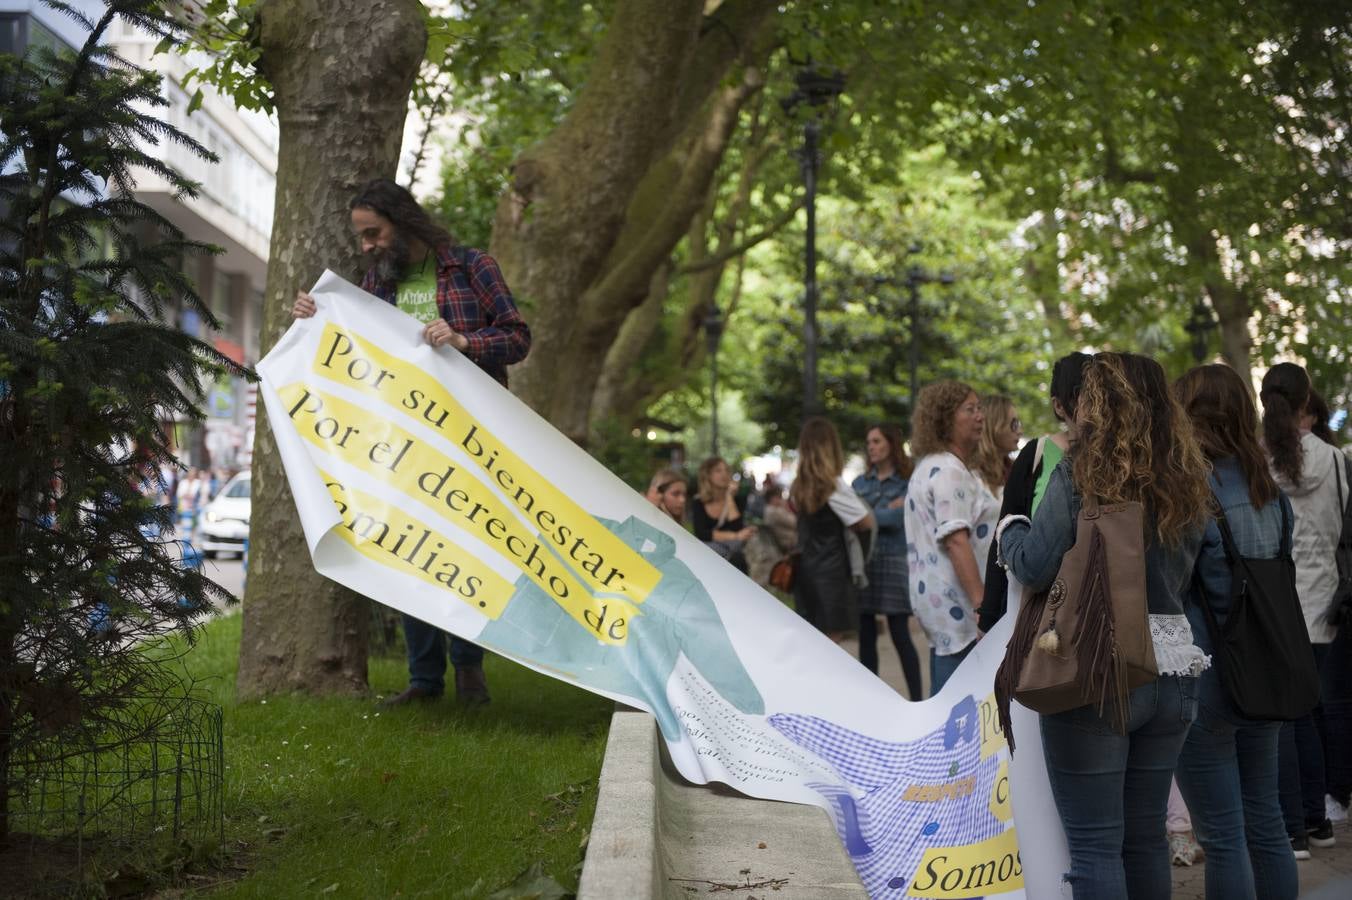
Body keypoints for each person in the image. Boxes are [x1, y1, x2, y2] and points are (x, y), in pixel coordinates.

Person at [292, 178, 531, 707]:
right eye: (361, 237)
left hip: (470, 437)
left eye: (373, 233)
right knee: (411, 551)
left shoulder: (473, 267)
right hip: (401, 440)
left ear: (402, 221)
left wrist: (466, 341)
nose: (367, 247)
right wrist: (314, 319)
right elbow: (349, 345)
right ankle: (424, 680)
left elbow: (517, 337)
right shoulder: (378, 283)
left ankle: (469, 668)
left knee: (469, 552)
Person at [999, 352, 1212, 899]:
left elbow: (1035, 563)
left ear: (1099, 403)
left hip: (1098, 668)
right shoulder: (1187, 476)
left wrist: (1010, 529)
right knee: (1144, 840)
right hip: (1175, 666)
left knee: (1094, 846)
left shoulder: (1081, 471)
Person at [1172, 363, 1297, 899]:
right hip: (1268, 669)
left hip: (1208, 681)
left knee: (1223, 837)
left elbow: (1170, 587)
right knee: (1266, 821)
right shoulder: (1270, 492)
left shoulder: (1187, 493)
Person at [1261, 362, 1344, 853]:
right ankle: (1318, 821)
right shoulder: (1333, 459)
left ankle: (1293, 828)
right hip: (1324, 598)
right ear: (1306, 401)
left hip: (1280, 601)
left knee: (1286, 718)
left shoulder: (1260, 460)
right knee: (1311, 714)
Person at [979, 352, 1090, 634]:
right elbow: (1004, 532)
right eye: (1081, 395)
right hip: (1043, 616)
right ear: (1059, 405)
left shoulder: (1122, 458)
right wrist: (989, 616)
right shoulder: (1037, 454)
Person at [904, 381, 996, 693]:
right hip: (960, 611)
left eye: (980, 408)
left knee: (947, 700)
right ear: (945, 419)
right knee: (958, 710)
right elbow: (955, 539)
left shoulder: (930, 466)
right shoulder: (949, 471)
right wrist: (982, 603)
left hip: (940, 605)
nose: (980, 416)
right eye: (970, 410)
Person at [851, 424, 922, 699]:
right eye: (869, 442)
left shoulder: (907, 482)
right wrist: (885, 511)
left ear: (891, 444)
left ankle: (917, 699)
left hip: (894, 560)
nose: (871, 446)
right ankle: (872, 700)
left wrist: (870, 516)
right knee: (866, 632)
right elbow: (853, 521)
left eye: (877, 441)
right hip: (866, 561)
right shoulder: (859, 483)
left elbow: (897, 519)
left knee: (899, 632)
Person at [790, 417, 875, 641]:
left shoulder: (799, 485)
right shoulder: (833, 486)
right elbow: (866, 523)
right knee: (831, 647)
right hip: (834, 575)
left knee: (814, 645)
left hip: (806, 572)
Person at [691, 457, 756, 572]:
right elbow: (702, 533)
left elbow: (737, 527)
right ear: (707, 475)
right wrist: (735, 536)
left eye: (726, 470)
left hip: (733, 557)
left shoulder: (738, 500)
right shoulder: (698, 502)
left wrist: (729, 497)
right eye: (718, 471)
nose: (724, 474)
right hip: (709, 557)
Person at [971, 394, 1022, 500]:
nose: (1020, 432)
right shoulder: (970, 472)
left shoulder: (1017, 471)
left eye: (1018, 424)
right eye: (1013, 424)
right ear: (994, 426)